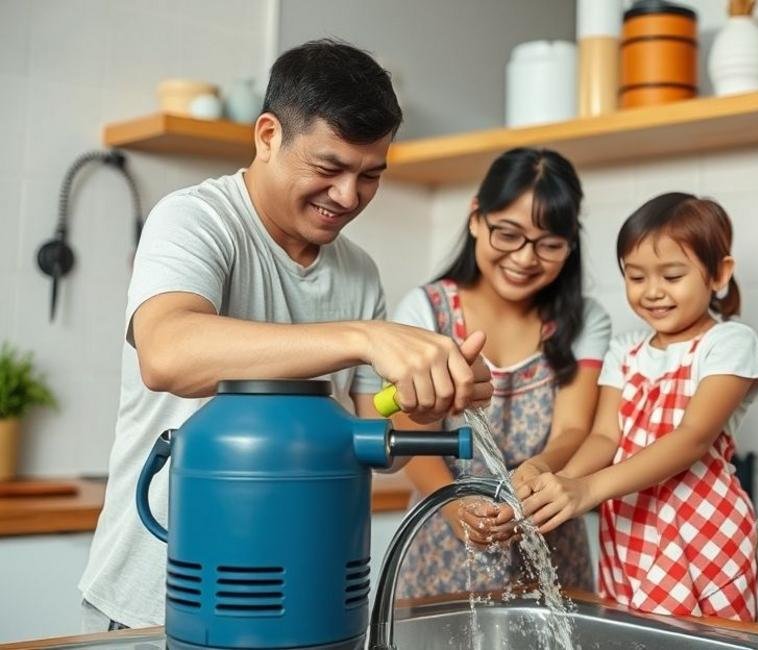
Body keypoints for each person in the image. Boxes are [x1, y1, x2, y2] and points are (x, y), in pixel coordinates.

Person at [78, 39, 492, 631]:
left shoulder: (357, 271)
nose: (348, 196)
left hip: (300, 604)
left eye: (370, 175)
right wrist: (364, 336)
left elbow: (367, 429)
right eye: (328, 168)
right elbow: (167, 354)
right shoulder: (197, 219)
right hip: (158, 602)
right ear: (268, 136)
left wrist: (424, 399)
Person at [517, 192, 758, 621]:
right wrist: (561, 483)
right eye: (636, 277)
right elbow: (605, 436)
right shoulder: (625, 351)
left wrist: (587, 490)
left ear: (719, 273)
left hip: (706, 535)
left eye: (672, 276)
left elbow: (692, 438)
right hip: (629, 533)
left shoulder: (729, 343)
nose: (653, 292)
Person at [392, 148, 612, 598]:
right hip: (444, 539)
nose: (525, 258)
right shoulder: (425, 310)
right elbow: (409, 433)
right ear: (476, 218)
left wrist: (535, 471)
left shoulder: (586, 320)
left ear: (571, 243)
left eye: (549, 244)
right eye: (508, 234)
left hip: (550, 535)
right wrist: (456, 509)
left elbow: (573, 428)